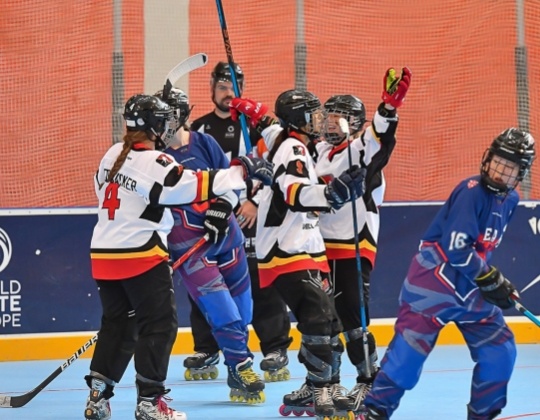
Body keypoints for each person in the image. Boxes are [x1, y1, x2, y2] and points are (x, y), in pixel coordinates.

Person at [84, 93, 273, 420]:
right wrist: (240, 171)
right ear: (155, 125)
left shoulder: (112, 153)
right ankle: (150, 403)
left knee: (118, 327)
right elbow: (187, 185)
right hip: (140, 255)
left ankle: (98, 398)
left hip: (103, 254)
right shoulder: (153, 161)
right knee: (159, 326)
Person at [360, 127, 536, 419]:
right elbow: (456, 248)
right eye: (498, 162)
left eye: (510, 168)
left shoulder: (512, 200)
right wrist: (491, 278)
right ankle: (374, 411)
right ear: (488, 158)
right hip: (432, 286)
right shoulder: (470, 192)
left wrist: (495, 285)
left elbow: (480, 250)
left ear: (520, 174)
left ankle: (482, 415)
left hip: (471, 289)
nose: (499, 171)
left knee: (500, 351)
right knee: (406, 360)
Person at [229, 89, 367, 419]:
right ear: (298, 120)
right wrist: (332, 192)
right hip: (287, 247)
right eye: (313, 115)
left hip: (305, 245)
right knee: (319, 315)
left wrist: (257, 112)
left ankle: (323, 383)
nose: (319, 121)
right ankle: (321, 388)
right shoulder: (294, 148)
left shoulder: (287, 140)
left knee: (328, 320)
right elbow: (294, 193)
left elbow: (270, 126)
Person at [156, 87, 265, 403]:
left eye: (170, 117)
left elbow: (232, 181)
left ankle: (234, 364)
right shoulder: (155, 158)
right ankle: (243, 367)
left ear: (183, 115)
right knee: (223, 310)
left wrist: (223, 207)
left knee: (243, 311)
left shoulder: (205, 143)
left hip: (227, 237)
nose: (163, 124)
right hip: (189, 247)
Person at [187, 61, 292, 382]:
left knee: (263, 282)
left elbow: (276, 168)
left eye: (233, 87)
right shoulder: (198, 130)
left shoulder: (257, 128)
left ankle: (275, 347)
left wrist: (253, 202)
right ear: (211, 88)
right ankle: (207, 348)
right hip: (215, 220)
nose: (228, 93)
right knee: (207, 282)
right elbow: (195, 177)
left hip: (252, 218)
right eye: (222, 87)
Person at [315, 67, 411, 414]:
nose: (331, 125)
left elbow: (380, 136)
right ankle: (325, 382)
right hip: (318, 248)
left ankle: (369, 380)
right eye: (329, 117)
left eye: (340, 119)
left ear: (355, 124)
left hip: (352, 246)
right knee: (323, 321)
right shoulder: (316, 152)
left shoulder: (361, 151)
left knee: (353, 319)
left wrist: (388, 107)